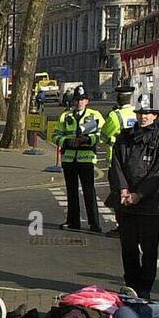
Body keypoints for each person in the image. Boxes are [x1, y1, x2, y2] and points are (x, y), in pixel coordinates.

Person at [107, 92, 159, 299]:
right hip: (126, 201)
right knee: (128, 247)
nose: (143, 117)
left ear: (155, 115)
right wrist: (123, 189)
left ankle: (145, 288)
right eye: (140, 113)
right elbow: (116, 164)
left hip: (151, 203)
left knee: (149, 249)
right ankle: (131, 284)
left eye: (148, 113)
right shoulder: (125, 137)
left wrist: (139, 194)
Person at [51, 84, 104, 233]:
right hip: (69, 160)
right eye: (77, 99)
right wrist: (67, 142)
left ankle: (94, 224)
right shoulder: (65, 116)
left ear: (87, 101)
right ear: (73, 101)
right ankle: (73, 221)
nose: (79, 102)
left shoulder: (95, 116)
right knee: (71, 192)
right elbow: (55, 135)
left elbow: (100, 135)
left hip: (86, 159)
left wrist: (86, 140)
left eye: (82, 99)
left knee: (89, 192)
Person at [101, 84, 138, 151]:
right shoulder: (140, 113)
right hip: (136, 153)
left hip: (118, 154)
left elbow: (103, 136)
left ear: (118, 99)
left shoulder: (114, 115)